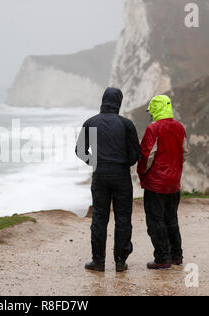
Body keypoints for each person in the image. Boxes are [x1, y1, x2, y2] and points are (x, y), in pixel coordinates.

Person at [76, 87, 140, 273]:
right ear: (118, 102)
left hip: (100, 174)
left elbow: (80, 150)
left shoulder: (91, 122)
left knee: (99, 218)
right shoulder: (126, 124)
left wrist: (95, 161)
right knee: (123, 219)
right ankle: (120, 262)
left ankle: (98, 261)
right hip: (121, 175)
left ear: (103, 101)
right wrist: (124, 163)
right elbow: (135, 153)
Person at [137, 95, 189, 270]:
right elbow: (185, 152)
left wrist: (141, 173)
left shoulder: (154, 128)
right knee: (171, 218)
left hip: (156, 184)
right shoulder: (180, 127)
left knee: (155, 221)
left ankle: (162, 258)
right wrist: (175, 169)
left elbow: (147, 155)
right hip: (174, 183)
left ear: (155, 109)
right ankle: (177, 255)